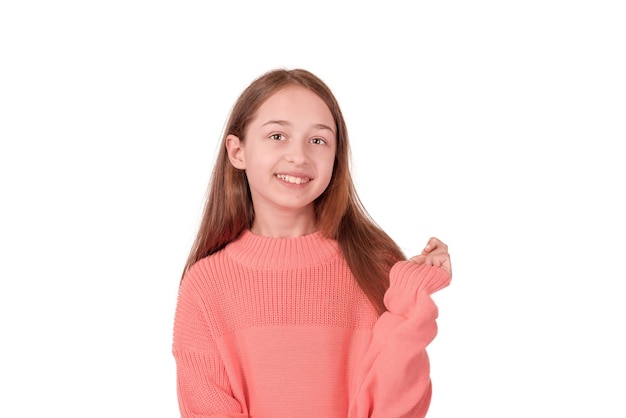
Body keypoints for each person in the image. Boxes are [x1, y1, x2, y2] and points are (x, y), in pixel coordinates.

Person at [171, 68, 452, 417]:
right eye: (277, 136)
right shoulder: (205, 285)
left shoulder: (375, 267)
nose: (299, 156)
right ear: (237, 151)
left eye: (317, 140)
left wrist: (410, 301)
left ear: (336, 157)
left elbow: (397, 407)